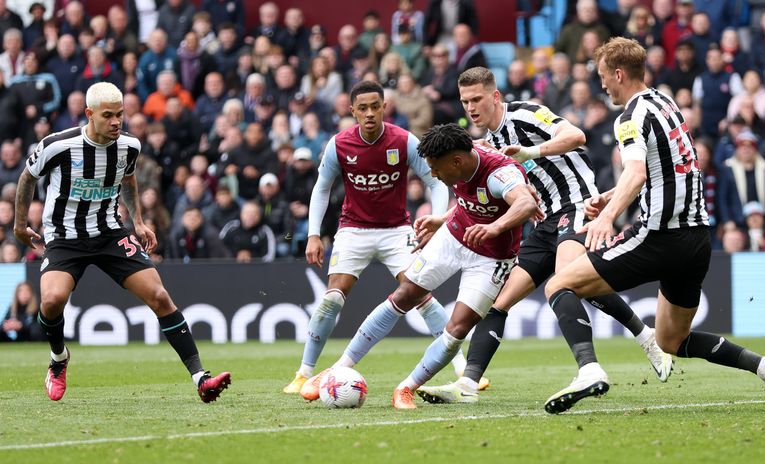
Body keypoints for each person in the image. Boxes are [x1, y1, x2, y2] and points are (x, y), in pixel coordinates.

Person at [541, 38, 765, 414]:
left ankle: (588, 370)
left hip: (660, 236)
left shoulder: (629, 117)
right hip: (697, 239)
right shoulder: (666, 102)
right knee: (672, 340)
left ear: (619, 74)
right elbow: (665, 168)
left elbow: (637, 172)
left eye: (604, 76)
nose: (602, 85)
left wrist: (607, 217)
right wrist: (610, 196)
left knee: (558, 285)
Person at [416, 67, 670, 405]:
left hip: (577, 205)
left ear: (495, 96)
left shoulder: (525, 114)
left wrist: (531, 152)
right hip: (544, 221)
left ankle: (592, 368)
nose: (471, 108)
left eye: (477, 99)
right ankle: (468, 384)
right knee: (499, 302)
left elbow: (576, 135)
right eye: (465, 102)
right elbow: (483, 195)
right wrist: (442, 218)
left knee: (566, 281)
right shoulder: (487, 145)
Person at [12, 82, 230, 403]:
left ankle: (201, 378)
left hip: (110, 233)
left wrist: (138, 221)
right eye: (108, 116)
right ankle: (59, 358)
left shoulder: (130, 146)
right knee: (52, 301)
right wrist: (19, 226)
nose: (116, 122)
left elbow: (127, 178)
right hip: (65, 237)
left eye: (120, 114)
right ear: (89, 114)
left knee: (159, 296)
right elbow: (27, 177)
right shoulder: (57, 145)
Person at [281, 81, 460, 397]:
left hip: (397, 231)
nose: (369, 113)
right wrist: (313, 234)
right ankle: (303, 373)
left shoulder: (403, 141)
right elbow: (321, 189)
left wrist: (436, 220)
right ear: (352, 111)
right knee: (332, 298)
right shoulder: (339, 144)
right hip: (353, 230)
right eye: (362, 108)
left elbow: (435, 181)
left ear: (384, 107)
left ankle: (462, 370)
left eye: (375, 106)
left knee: (419, 293)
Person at [368, 123, 539, 409]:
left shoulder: (500, 173)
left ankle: (406, 388)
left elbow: (526, 204)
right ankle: (340, 366)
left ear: (456, 161)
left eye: (436, 169)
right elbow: (469, 199)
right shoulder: (464, 158)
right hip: (456, 234)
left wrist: (494, 228)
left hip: (493, 257)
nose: (433, 175)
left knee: (458, 327)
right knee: (405, 293)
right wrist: (441, 219)